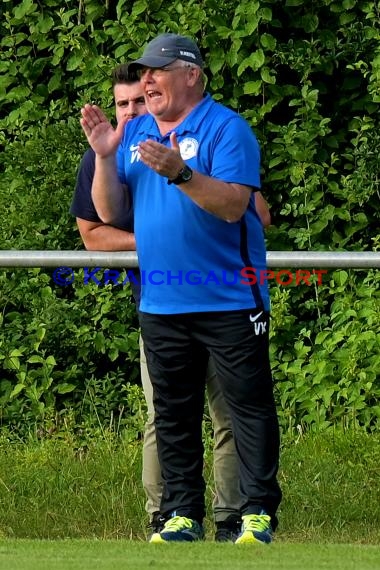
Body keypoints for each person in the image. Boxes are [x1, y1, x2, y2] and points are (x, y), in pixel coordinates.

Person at [80, 33, 281, 545]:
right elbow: (106, 215)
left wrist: (181, 173)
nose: (146, 80)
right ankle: (181, 514)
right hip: (162, 300)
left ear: (191, 74)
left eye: (158, 70)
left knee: (246, 409)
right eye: (143, 72)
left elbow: (235, 206)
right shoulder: (134, 131)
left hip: (231, 298)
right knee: (172, 413)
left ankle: (256, 513)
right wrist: (105, 156)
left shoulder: (226, 127)